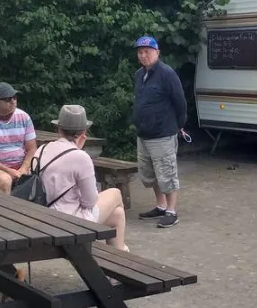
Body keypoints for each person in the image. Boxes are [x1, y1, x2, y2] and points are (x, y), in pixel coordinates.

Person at [39, 105, 129, 251]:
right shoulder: (80, 157)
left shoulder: (42, 149)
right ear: (83, 132)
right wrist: (78, 150)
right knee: (115, 193)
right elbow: (90, 202)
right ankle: (123, 254)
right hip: (69, 222)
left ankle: (120, 257)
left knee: (117, 215)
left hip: (45, 217)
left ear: (59, 129)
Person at [132, 35, 188, 228]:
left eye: (147, 51)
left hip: (163, 134)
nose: (143, 55)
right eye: (140, 52)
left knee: (167, 173)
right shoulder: (139, 75)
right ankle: (161, 206)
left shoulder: (167, 73)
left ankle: (172, 211)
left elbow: (180, 102)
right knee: (149, 174)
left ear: (157, 52)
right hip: (144, 134)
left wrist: (178, 125)